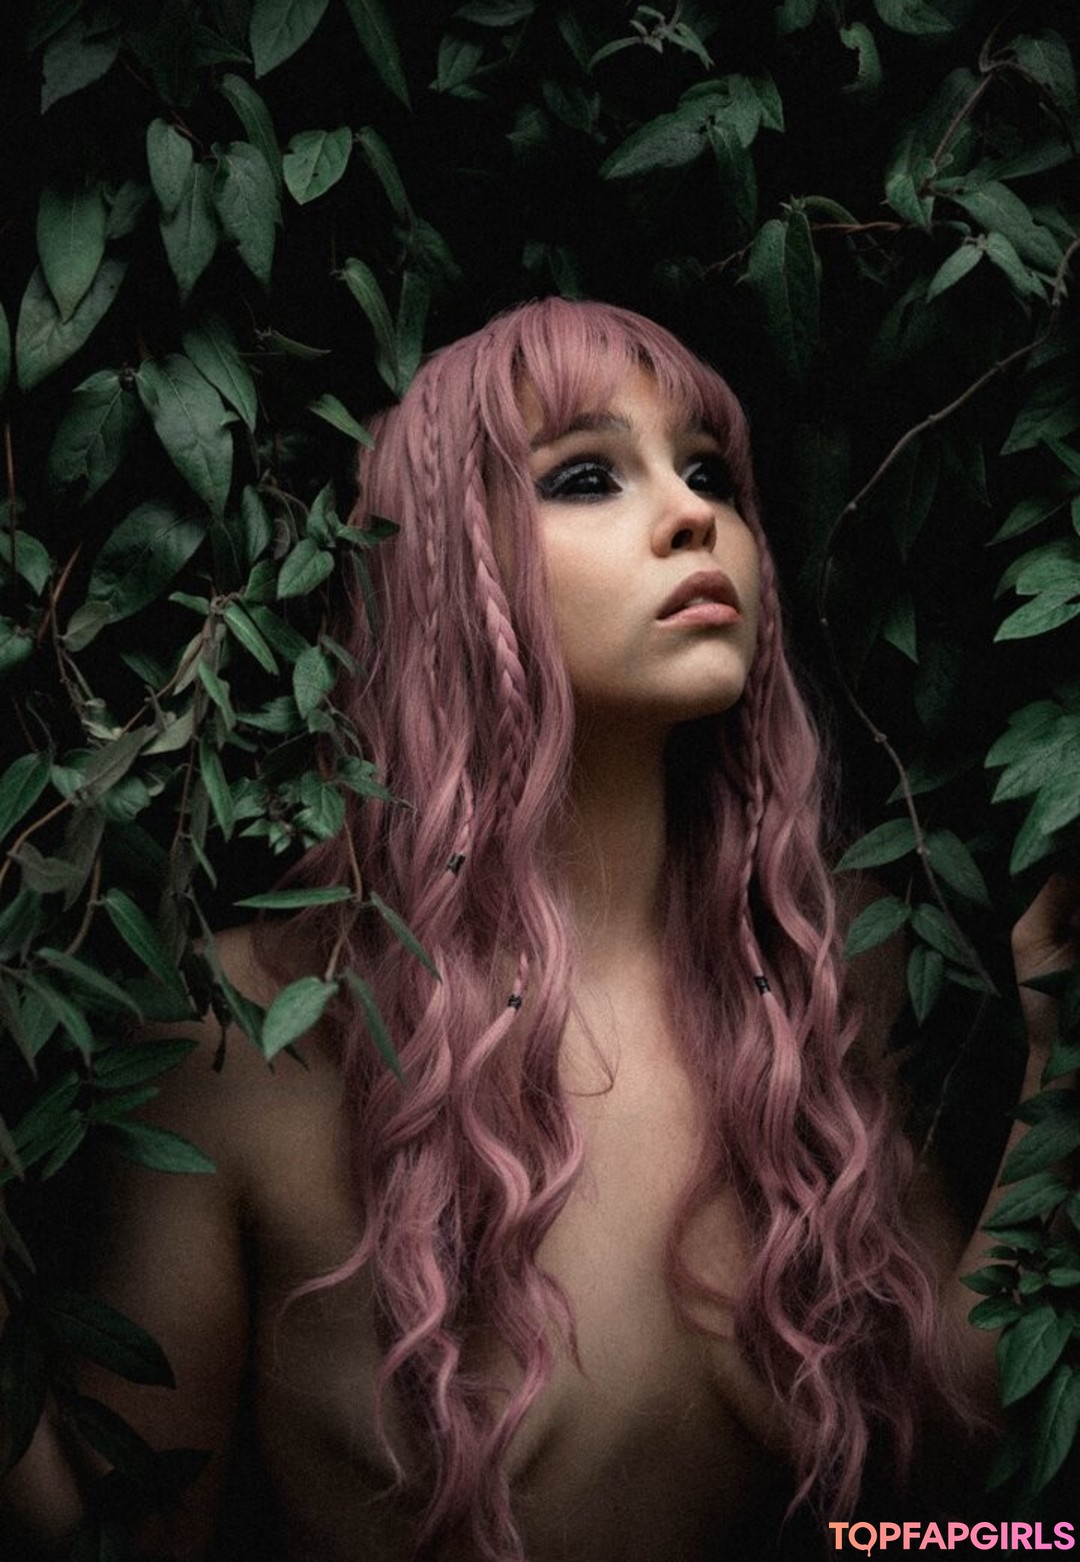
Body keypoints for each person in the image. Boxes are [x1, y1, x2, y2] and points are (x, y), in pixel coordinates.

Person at [1, 298, 1076, 1561]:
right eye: (584, 476)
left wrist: (1061, 1061)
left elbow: (955, 1494)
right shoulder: (243, 1039)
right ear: (443, 568)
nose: (693, 516)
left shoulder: (825, 974)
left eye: (708, 472)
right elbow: (120, 1539)